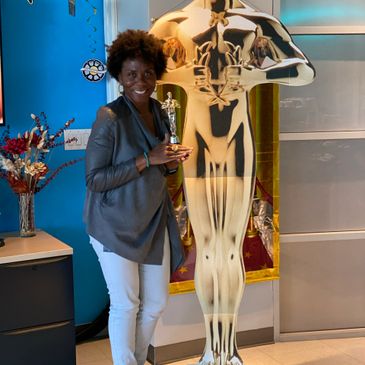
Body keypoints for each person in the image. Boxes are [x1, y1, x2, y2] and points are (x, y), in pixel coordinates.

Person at [150, 1, 315, 364]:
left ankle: (228, 350)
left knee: (230, 245)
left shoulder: (257, 20)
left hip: (239, 142)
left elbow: (304, 71)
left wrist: (256, 76)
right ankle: (212, 350)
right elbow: (133, 71)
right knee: (207, 244)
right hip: (198, 143)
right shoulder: (172, 22)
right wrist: (182, 76)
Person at [83, 29, 193, 365]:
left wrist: (169, 163)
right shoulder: (109, 117)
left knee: (156, 303)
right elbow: (95, 179)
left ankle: (137, 359)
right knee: (126, 303)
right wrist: (149, 159)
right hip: (112, 226)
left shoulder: (159, 111)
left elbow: (160, 168)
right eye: (132, 74)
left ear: (157, 73)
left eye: (147, 73)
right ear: (119, 75)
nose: (140, 81)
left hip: (151, 222)